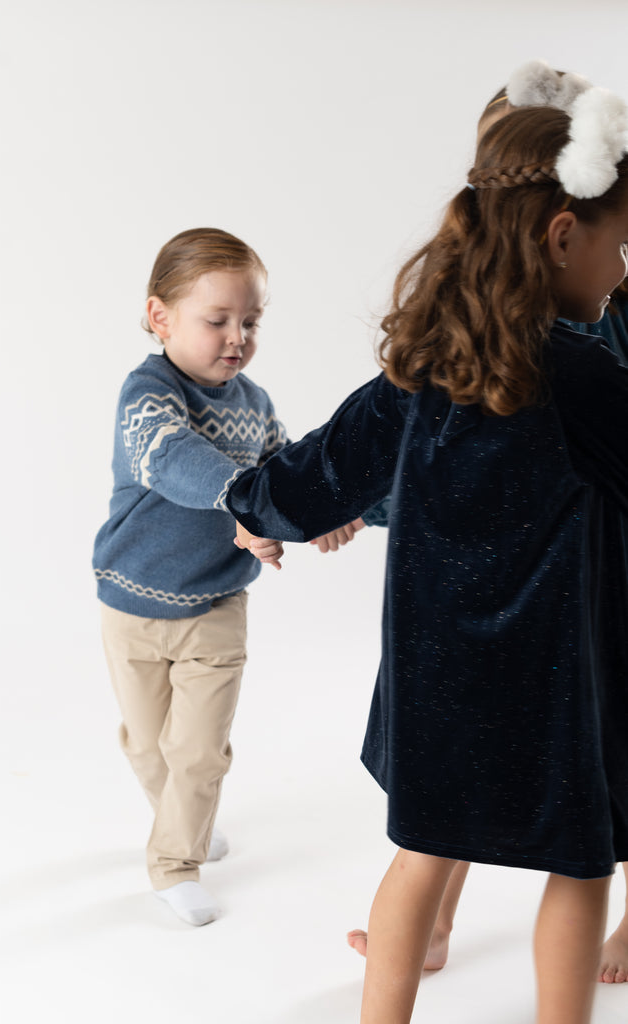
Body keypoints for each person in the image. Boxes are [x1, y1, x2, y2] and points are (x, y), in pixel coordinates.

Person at [227, 73, 628, 1024]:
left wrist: (252, 507)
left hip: (436, 683)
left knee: (418, 858)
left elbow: (317, 473)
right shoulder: (580, 375)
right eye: (618, 247)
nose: (619, 272)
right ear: (560, 238)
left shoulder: (421, 363)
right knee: (578, 867)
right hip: (553, 686)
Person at [345, 62, 628, 986]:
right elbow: (408, 454)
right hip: (502, 600)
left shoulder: (587, 319)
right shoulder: (465, 334)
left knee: (597, 771)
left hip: (583, 573)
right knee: (466, 779)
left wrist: (288, 502)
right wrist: (344, 505)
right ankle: (433, 928)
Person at [93, 227, 308, 927]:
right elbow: (169, 458)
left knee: (197, 752)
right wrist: (244, 502)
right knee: (147, 744)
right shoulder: (148, 393)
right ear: (161, 317)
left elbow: (287, 480)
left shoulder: (256, 405)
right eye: (217, 320)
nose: (236, 337)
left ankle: (173, 863)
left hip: (216, 605)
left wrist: (329, 514)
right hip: (130, 602)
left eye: (251, 321)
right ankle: (185, 817)